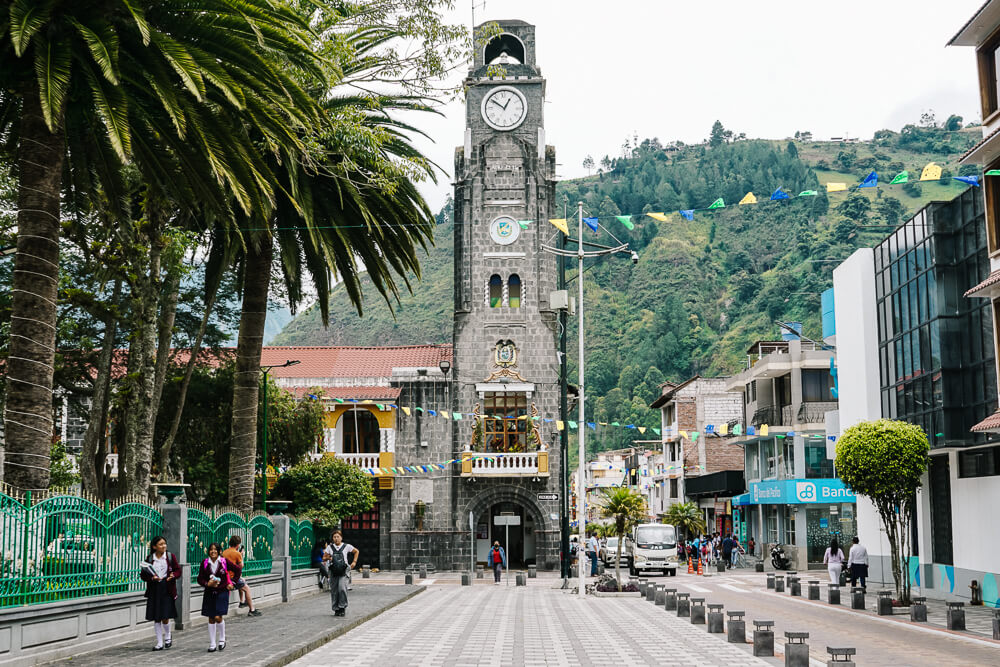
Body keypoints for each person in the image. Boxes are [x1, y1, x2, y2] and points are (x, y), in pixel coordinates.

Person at [139, 536, 181, 651]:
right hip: (154, 589)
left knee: (165, 616)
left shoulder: (170, 557)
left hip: (167, 588)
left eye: (164, 544)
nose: (164, 546)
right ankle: (159, 642)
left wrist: (173, 575)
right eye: (161, 544)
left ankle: (167, 636)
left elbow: (178, 570)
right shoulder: (149, 558)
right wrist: (152, 578)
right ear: (154, 546)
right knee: (156, 617)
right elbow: (143, 575)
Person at [197, 542, 234, 652]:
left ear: (219, 551)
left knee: (218, 616)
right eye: (211, 549)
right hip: (209, 593)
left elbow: (237, 570)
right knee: (211, 617)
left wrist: (232, 583)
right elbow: (200, 578)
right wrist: (207, 584)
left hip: (222, 592)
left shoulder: (223, 562)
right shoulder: (204, 563)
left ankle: (222, 638)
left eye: (215, 549)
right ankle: (212, 642)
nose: (213, 551)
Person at [223, 536, 262, 617]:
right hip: (233, 577)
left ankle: (242, 602)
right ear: (238, 545)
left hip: (226, 576)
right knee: (247, 589)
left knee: (242, 581)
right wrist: (241, 556)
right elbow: (241, 566)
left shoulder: (224, 552)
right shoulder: (237, 553)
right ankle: (252, 610)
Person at [323, 529, 358, 616]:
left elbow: (356, 551)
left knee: (342, 588)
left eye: (338, 537)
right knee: (334, 590)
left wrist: (354, 562)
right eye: (334, 537)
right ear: (332, 538)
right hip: (333, 570)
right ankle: (336, 609)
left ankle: (342, 607)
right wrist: (329, 558)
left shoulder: (346, 546)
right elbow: (324, 558)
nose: (336, 539)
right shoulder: (330, 547)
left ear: (341, 538)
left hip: (344, 570)